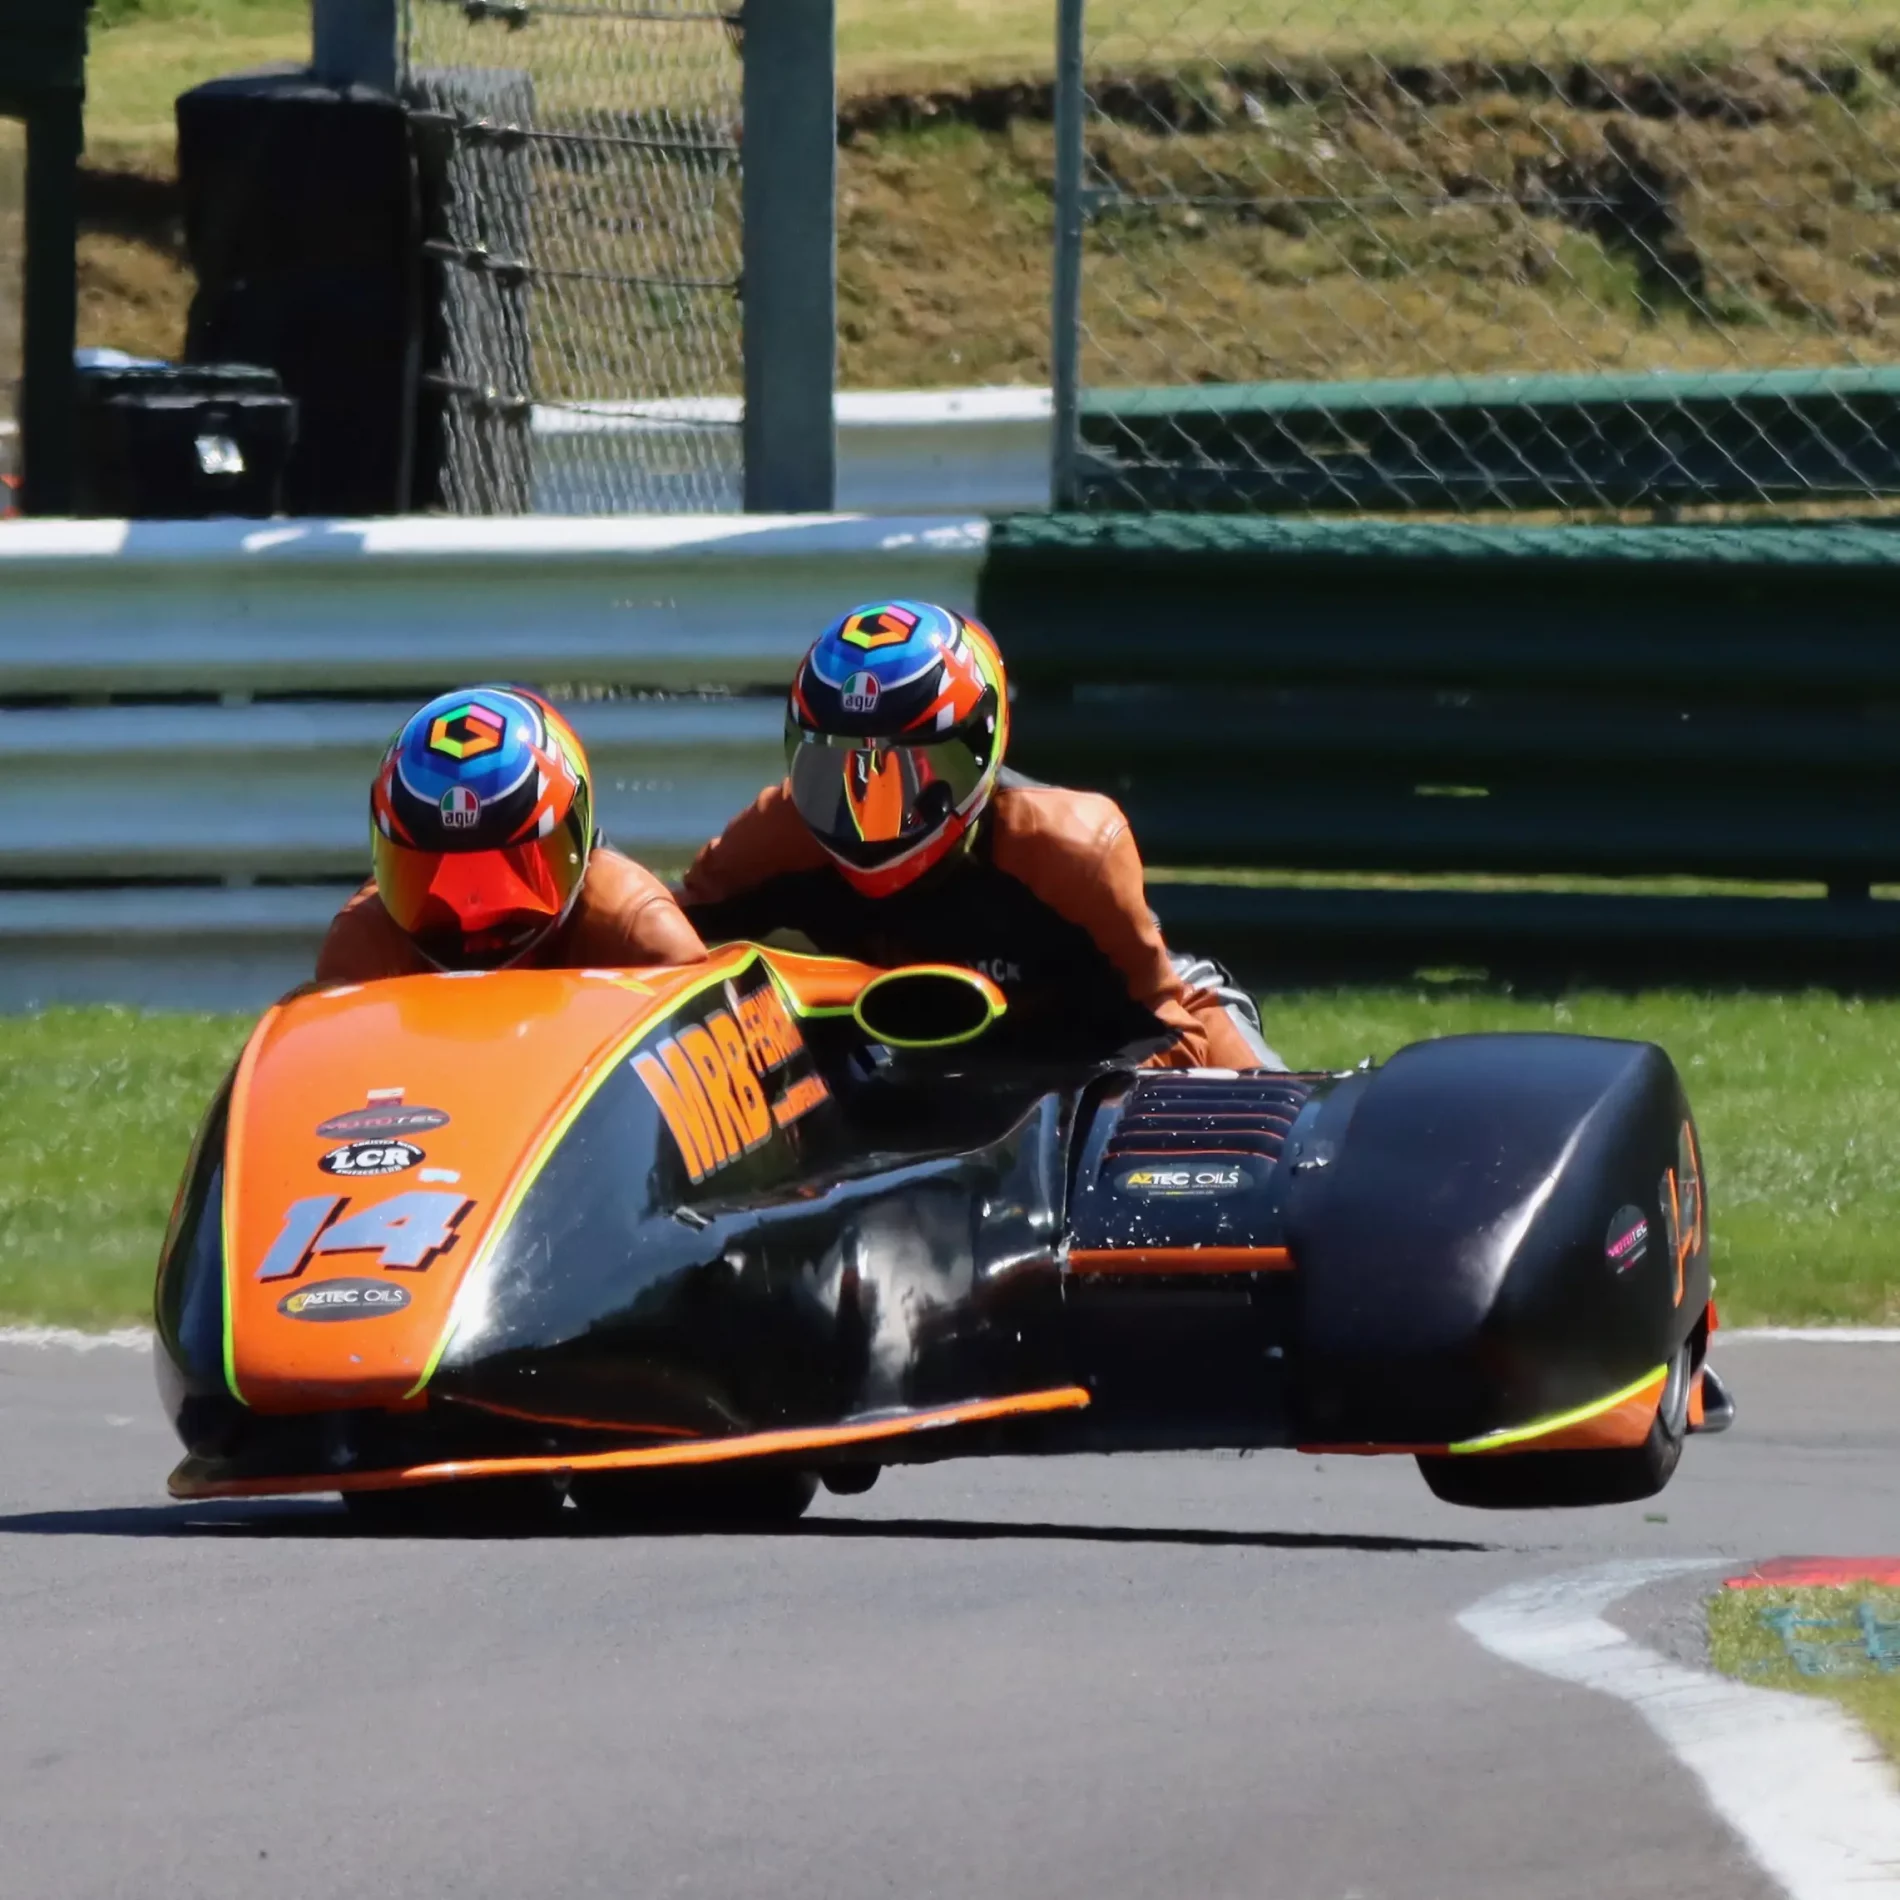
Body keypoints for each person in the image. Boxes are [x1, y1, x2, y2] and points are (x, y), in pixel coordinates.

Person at [678, 601, 1273, 1070]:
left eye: (908, 772)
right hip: (923, 1063)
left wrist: (1025, 1097)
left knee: (1277, 1141)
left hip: (1118, 1039)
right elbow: (663, 954)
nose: (864, 810)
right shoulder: (777, 837)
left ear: (978, 744)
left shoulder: (1071, 850)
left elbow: (1168, 1030)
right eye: (836, 771)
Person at [316, 686, 707, 982]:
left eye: (511, 872)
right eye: (432, 876)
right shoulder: (362, 948)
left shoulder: (641, 934)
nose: (471, 914)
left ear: (576, 834)